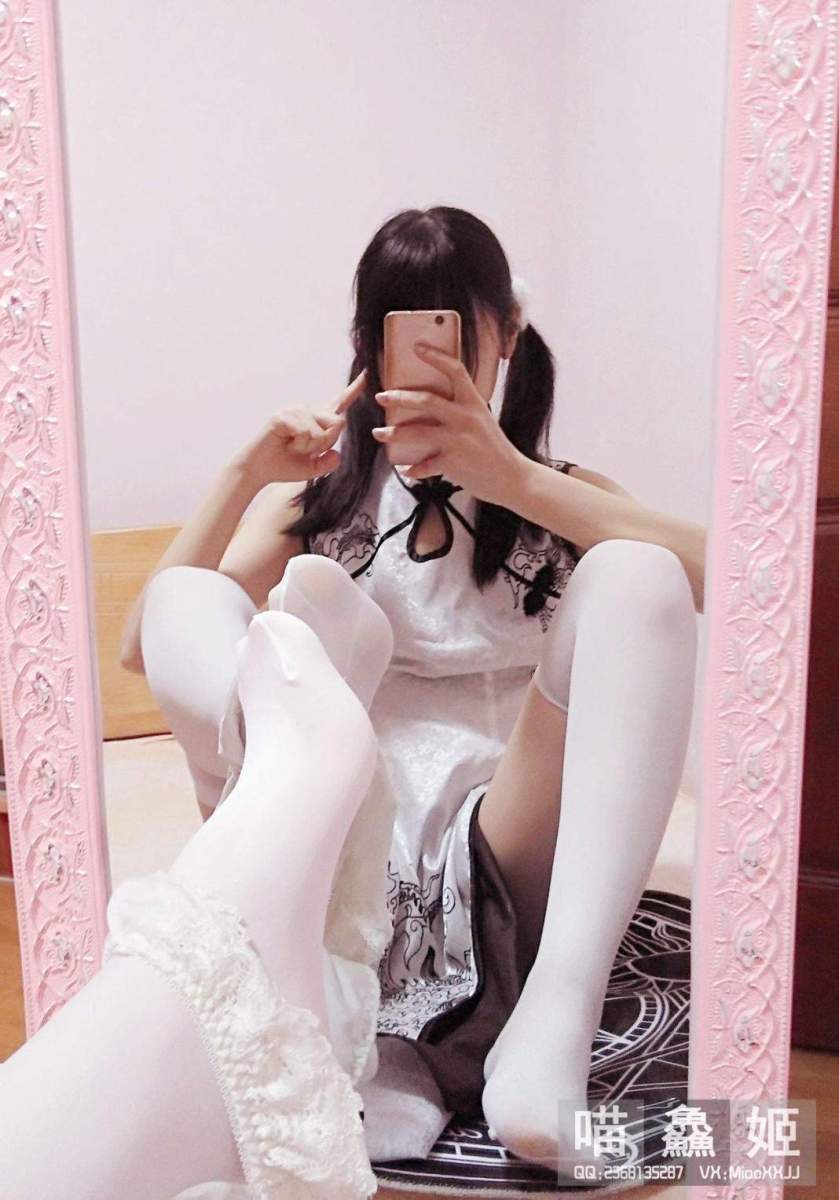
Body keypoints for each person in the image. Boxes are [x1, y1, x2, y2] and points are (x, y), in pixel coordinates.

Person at [0, 205, 704, 1195]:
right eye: (403, 332)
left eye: (454, 330)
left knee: (638, 574)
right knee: (189, 598)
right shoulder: (322, 508)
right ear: (369, 346)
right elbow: (141, 643)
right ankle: (320, 755)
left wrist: (510, 477)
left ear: (506, 332)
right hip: (347, 843)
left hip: (503, 838)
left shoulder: (559, 492)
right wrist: (246, 473)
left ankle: (550, 1016)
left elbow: (724, 579)